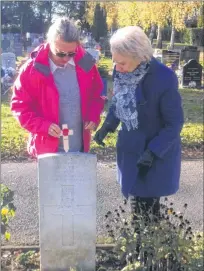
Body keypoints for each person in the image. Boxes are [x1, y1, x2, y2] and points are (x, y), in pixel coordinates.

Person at [94, 26, 184, 220]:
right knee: (137, 205)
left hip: (154, 153)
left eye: (122, 63)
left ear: (140, 56)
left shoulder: (164, 78)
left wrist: (153, 151)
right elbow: (119, 101)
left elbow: (174, 123)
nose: (117, 68)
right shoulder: (122, 71)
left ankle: (147, 248)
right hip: (131, 148)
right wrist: (108, 125)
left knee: (148, 208)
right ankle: (140, 245)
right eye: (115, 62)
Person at [11, 17, 104, 158]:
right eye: (60, 53)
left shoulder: (86, 63)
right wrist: (43, 126)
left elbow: (96, 94)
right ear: (49, 43)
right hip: (47, 150)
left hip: (79, 146)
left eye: (71, 53)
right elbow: (20, 107)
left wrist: (93, 115)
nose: (66, 58)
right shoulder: (33, 69)